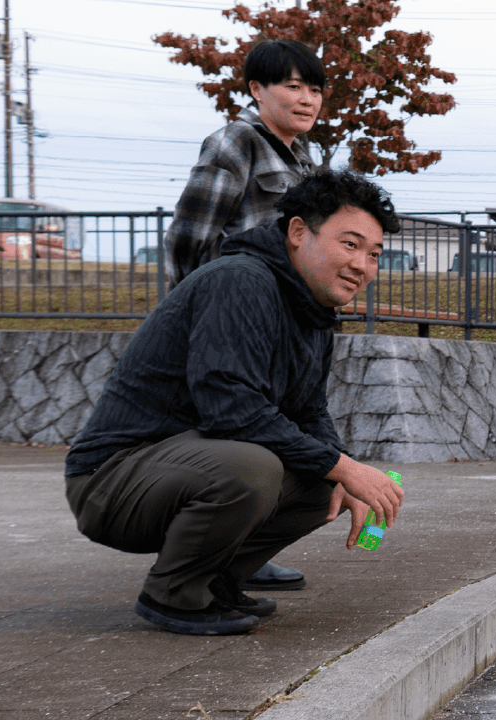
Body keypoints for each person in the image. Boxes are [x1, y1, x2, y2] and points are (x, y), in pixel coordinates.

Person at [66, 168, 405, 636]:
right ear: (298, 231)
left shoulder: (311, 310)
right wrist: (343, 466)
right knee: (254, 466)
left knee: (319, 481)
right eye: (350, 245)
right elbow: (230, 409)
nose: (362, 266)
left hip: (184, 467)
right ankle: (173, 594)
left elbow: (309, 410)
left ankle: (216, 583)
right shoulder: (239, 281)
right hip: (112, 480)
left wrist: (341, 468)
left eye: (374, 254)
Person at [165, 38, 326, 594]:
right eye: (292, 86)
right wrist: (211, 310)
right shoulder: (234, 142)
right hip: (234, 320)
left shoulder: (306, 158)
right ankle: (206, 560)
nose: (306, 99)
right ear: (257, 89)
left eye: (314, 89)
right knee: (239, 435)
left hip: (283, 323)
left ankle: (241, 554)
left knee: (275, 436)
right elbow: (190, 237)